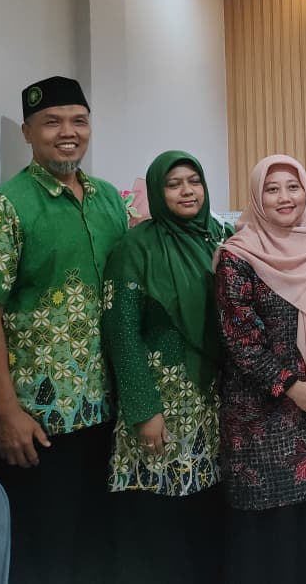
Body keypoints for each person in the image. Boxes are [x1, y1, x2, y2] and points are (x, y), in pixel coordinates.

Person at [0, 75, 128, 584]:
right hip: (37, 421)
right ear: (28, 132)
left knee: (96, 550)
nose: (68, 132)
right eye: (52, 122)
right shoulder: (2, 208)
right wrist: (7, 412)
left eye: (79, 121)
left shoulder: (108, 200)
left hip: (103, 409)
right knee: (41, 557)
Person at [214, 154, 306, 582]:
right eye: (272, 189)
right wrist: (294, 387)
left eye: (293, 187)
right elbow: (240, 340)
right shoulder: (237, 256)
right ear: (256, 197)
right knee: (272, 542)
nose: (284, 197)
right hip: (264, 422)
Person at [101, 150, 231, 583]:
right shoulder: (134, 248)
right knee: (159, 513)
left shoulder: (219, 237)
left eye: (194, 181)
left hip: (212, 400)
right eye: (173, 184)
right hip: (162, 402)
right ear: (158, 192)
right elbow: (121, 331)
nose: (187, 191)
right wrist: (143, 409)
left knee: (206, 511)